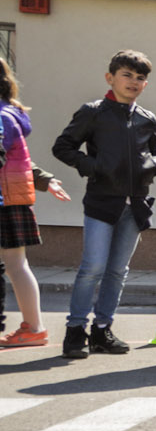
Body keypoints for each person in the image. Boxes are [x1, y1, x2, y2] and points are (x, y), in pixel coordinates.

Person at [52, 49, 156, 358]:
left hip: (135, 205)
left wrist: (152, 166)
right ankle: (75, 331)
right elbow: (63, 146)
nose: (133, 82)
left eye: (140, 78)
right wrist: (95, 167)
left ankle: (102, 330)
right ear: (110, 78)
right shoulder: (93, 112)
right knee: (93, 268)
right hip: (101, 202)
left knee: (117, 271)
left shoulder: (146, 119)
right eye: (127, 75)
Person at [0, 57, 72, 349]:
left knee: (16, 266)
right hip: (12, 199)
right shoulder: (9, 113)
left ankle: (34, 328)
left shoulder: (3, 117)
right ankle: (34, 327)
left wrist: (45, 180)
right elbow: (20, 160)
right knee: (17, 265)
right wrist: (46, 180)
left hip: (6, 200)